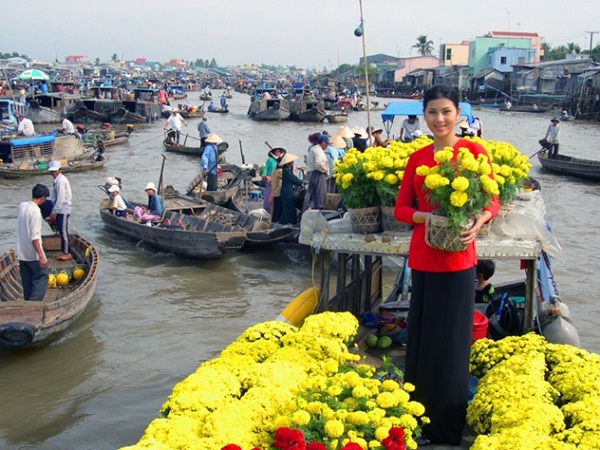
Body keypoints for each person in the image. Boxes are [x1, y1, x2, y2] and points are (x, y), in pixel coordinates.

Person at [394, 84, 500, 446]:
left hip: (459, 261)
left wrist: (482, 218)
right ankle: (418, 422)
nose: (439, 119)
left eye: (446, 112)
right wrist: (424, 216)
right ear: (424, 116)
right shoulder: (417, 158)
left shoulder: (474, 152)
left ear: (459, 115)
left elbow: (494, 198)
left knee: (454, 347)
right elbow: (400, 209)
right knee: (423, 343)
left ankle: (448, 429)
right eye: (432, 113)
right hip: (424, 260)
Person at [16, 183, 50, 301]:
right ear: (43, 198)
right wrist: (41, 256)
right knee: (42, 275)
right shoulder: (36, 211)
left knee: (27, 280)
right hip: (32, 254)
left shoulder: (22, 206)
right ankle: (34, 306)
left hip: (21, 253)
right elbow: (35, 237)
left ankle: (27, 304)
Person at [46, 161, 73, 261]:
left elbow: (61, 199)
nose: (54, 173)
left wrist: (54, 213)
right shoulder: (57, 180)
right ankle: (53, 223)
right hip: (57, 207)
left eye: (55, 171)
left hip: (63, 210)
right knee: (43, 204)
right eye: (52, 172)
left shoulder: (61, 181)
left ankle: (67, 253)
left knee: (63, 231)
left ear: (60, 170)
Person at [278, 153, 304, 225]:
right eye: (291, 162)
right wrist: (302, 182)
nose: (292, 163)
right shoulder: (286, 170)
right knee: (289, 208)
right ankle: (288, 222)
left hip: (287, 191)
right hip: (287, 192)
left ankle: (284, 222)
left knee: (287, 208)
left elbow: (293, 177)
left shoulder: (287, 170)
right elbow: (292, 179)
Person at [306, 134, 330, 210]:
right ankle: (318, 215)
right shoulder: (318, 151)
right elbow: (319, 164)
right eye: (326, 143)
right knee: (320, 196)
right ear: (323, 142)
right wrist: (326, 171)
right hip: (318, 174)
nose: (326, 146)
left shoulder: (313, 149)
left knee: (313, 196)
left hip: (312, 174)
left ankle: (309, 211)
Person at [261, 147, 285, 212]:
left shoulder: (282, 160)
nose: (278, 153)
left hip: (278, 180)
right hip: (270, 179)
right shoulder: (270, 160)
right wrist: (265, 175)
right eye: (276, 152)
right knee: (268, 194)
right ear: (274, 152)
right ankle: (267, 208)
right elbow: (266, 168)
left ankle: (275, 208)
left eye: (279, 152)